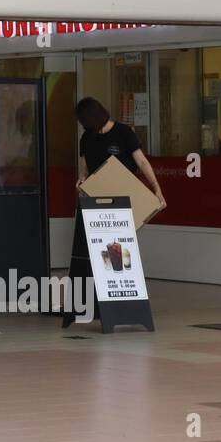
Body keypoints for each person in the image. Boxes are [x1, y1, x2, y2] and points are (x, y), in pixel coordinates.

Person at [64, 97, 166, 326]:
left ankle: (121, 301)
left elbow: (140, 161)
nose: (84, 127)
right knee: (98, 253)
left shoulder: (123, 133)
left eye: (85, 121)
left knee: (119, 252)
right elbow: (84, 162)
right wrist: (81, 178)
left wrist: (156, 189)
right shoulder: (87, 137)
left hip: (122, 204)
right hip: (96, 203)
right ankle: (100, 302)